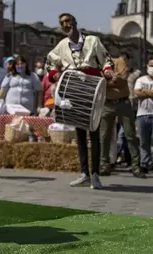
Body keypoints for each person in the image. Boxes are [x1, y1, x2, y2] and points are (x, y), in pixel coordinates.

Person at [46, 13, 114, 189]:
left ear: (75, 23)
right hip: (73, 89)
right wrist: (55, 74)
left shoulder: (92, 41)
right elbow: (50, 63)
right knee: (80, 134)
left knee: (94, 132)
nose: (66, 25)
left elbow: (106, 59)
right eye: (62, 23)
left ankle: (96, 175)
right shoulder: (62, 45)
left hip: (92, 88)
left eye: (68, 21)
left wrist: (107, 70)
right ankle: (84, 174)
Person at [100, 51, 144, 178]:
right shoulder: (99, 64)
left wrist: (107, 81)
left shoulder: (120, 61)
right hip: (107, 104)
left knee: (130, 135)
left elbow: (122, 80)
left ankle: (136, 166)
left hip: (123, 103)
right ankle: (104, 165)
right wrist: (109, 81)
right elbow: (98, 82)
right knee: (104, 136)